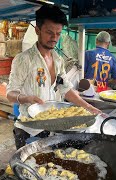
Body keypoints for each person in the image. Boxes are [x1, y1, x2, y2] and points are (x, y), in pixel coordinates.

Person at [6, 4, 101, 149]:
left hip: (51, 127)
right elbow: (10, 93)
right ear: (37, 30)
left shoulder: (58, 60)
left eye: (58, 33)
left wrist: (88, 107)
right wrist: (26, 99)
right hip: (28, 129)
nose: (54, 38)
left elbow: (66, 89)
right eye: (49, 32)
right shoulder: (24, 59)